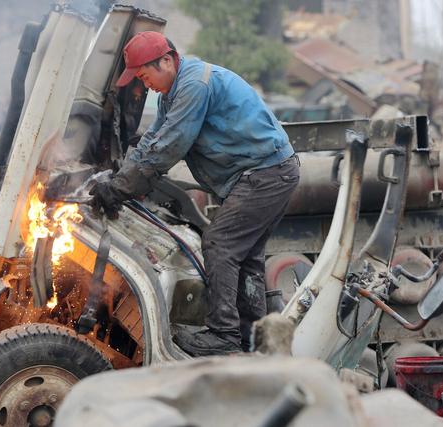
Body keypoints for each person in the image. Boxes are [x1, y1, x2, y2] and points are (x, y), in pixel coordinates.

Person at [90, 31, 299, 356]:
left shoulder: (193, 86)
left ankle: (224, 336)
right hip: (266, 172)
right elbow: (154, 139)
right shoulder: (172, 94)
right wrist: (122, 174)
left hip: (266, 173)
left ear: (167, 61)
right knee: (245, 260)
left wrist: (119, 189)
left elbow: (170, 145)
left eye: (145, 77)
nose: (145, 85)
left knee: (219, 243)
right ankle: (251, 340)